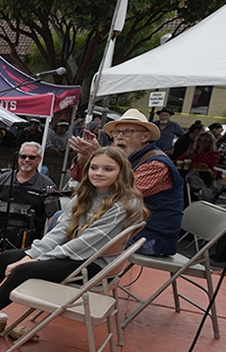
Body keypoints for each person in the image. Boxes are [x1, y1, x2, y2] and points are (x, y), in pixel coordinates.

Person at [0, 146, 147, 336]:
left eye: (108, 169)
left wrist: (32, 262)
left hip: (92, 266)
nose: (98, 173)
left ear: (122, 173)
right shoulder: (86, 194)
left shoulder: (125, 204)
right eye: (94, 168)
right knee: (7, 257)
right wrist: (32, 254)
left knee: (22, 271)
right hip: (75, 257)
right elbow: (60, 231)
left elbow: (86, 245)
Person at [67, 108, 183, 256]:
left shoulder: (157, 164)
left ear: (145, 137)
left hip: (150, 237)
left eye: (127, 132)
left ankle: (61, 271)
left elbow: (120, 195)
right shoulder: (124, 158)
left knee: (75, 229)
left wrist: (99, 159)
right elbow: (85, 180)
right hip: (122, 224)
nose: (119, 137)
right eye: (116, 133)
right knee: (65, 219)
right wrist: (84, 159)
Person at [0, 142, 58, 239]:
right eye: (23, 156)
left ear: (39, 160)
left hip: (30, 242)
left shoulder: (48, 185)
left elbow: (53, 216)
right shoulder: (3, 179)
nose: (26, 160)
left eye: (32, 157)